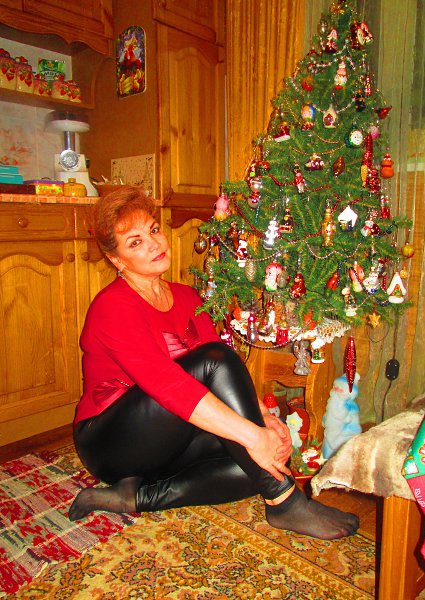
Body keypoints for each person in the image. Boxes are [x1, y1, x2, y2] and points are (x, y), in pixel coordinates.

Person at [68, 186, 359, 540]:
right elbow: (172, 383)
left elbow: (222, 372)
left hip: (169, 435)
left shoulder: (186, 296)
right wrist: (255, 434)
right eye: (135, 242)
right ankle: (284, 501)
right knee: (227, 389)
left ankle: (135, 497)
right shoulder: (112, 306)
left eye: (154, 230)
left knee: (254, 465)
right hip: (112, 441)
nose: (154, 244)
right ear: (117, 260)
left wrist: (264, 419)